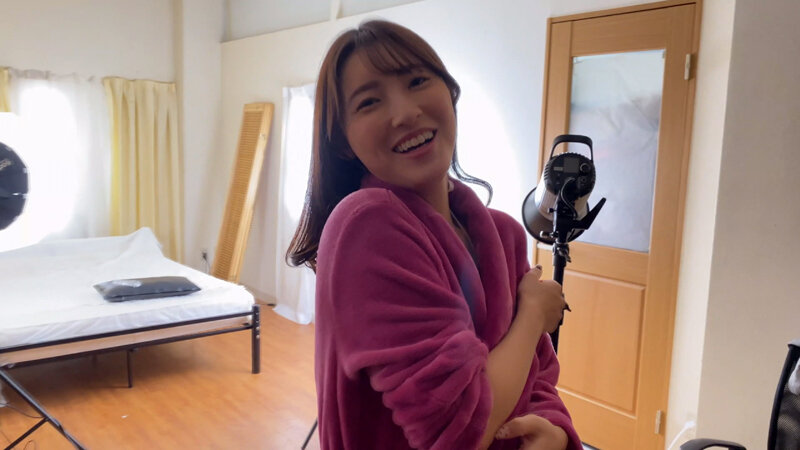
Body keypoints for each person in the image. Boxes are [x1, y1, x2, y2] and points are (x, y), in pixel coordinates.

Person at [287, 19, 581, 450]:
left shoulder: (503, 235)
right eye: (369, 102)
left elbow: (538, 376)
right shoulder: (366, 225)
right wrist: (534, 313)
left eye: (417, 81)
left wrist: (554, 431)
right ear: (344, 142)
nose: (405, 113)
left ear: (450, 94)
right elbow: (458, 430)